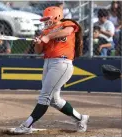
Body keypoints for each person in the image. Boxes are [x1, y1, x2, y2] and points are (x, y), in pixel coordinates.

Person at [11, 6, 89, 135]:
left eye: (48, 18)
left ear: (57, 16)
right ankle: (81, 118)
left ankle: (27, 125)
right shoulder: (45, 31)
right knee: (54, 100)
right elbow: (38, 51)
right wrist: (38, 42)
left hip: (62, 63)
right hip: (48, 63)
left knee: (44, 97)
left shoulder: (67, 24)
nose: (46, 21)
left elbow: (67, 32)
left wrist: (48, 36)